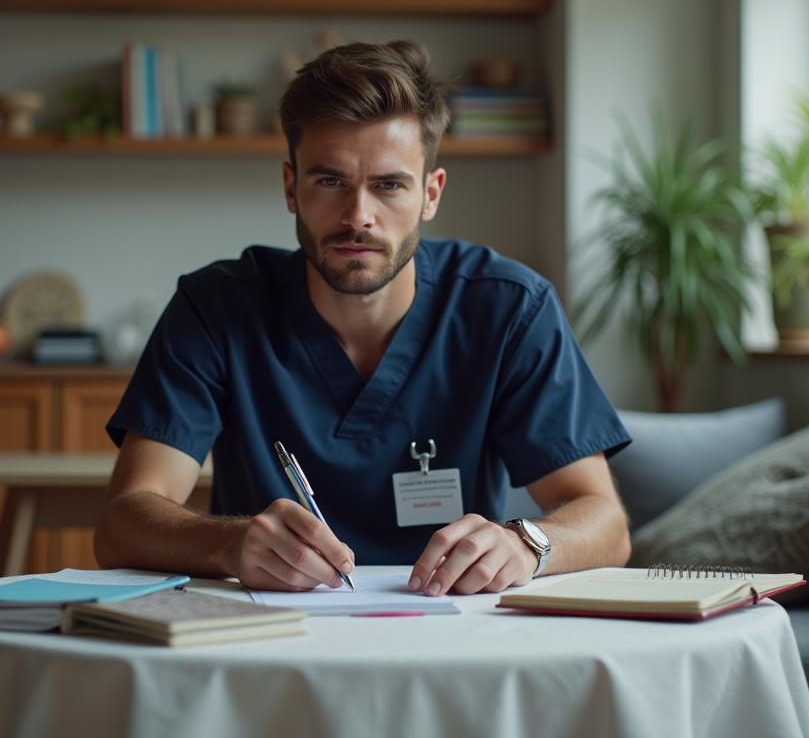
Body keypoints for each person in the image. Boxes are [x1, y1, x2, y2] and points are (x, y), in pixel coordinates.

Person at [95, 40, 631, 597]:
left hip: (453, 626)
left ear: (431, 194)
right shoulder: (215, 308)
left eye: (389, 185)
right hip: (267, 627)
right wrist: (228, 544)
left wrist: (526, 544)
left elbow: (606, 523)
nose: (359, 217)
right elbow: (121, 522)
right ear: (290, 187)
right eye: (330, 182)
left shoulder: (509, 308)